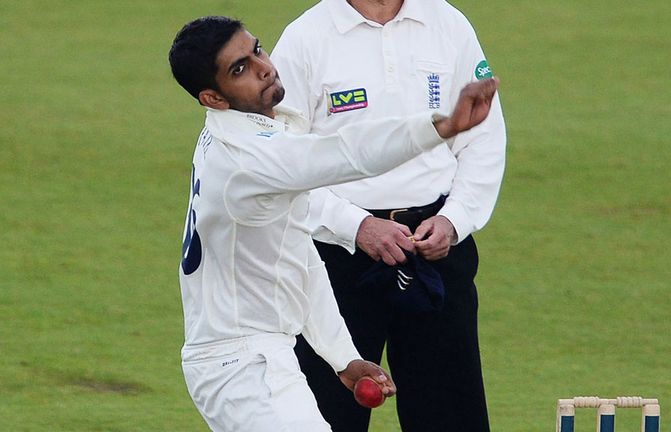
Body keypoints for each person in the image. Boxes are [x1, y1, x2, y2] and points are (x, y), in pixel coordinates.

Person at [168, 16, 499, 432]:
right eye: (240, 69)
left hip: (257, 355)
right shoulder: (253, 159)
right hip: (243, 367)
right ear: (213, 98)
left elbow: (301, 257)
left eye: (257, 50)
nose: (263, 67)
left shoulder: (240, 137)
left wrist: (344, 358)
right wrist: (440, 127)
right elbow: (345, 153)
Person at [270, 1, 507, 431]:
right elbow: (282, 162)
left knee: (450, 414)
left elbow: (483, 137)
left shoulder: (448, 23)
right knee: (325, 415)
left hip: (435, 250)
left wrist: (454, 219)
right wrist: (356, 225)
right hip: (335, 257)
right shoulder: (305, 37)